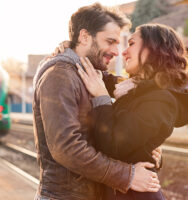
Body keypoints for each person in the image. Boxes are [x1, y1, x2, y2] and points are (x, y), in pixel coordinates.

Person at [33, 4, 161, 200]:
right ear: (84, 37)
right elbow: (66, 148)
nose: (116, 51)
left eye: (118, 43)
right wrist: (128, 175)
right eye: (110, 42)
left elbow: (116, 129)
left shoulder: (92, 74)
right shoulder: (59, 76)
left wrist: (146, 147)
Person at [75, 23, 188, 199]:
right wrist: (73, 50)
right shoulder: (135, 91)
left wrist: (101, 98)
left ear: (153, 48)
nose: (123, 52)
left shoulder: (161, 100)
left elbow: (113, 144)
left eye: (132, 43)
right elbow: (102, 76)